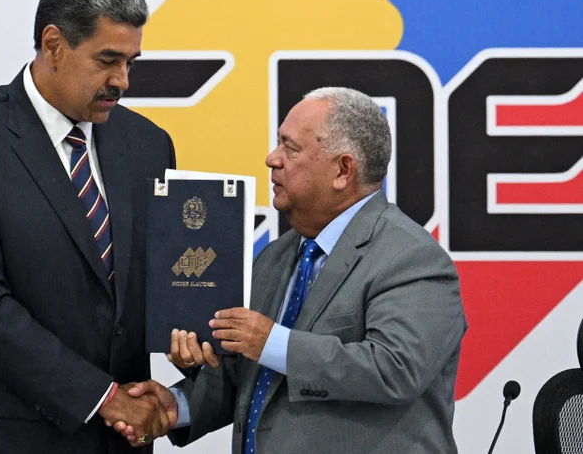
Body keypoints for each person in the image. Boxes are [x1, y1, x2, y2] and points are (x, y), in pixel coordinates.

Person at [0, 0, 176, 453]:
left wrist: (191, 340)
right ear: (53, 44)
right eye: (107, 60)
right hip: (4, 435)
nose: (122, 81)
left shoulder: (149, 145)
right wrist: (104, 398)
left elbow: (155, 283)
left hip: (119, 439)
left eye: (131, 63)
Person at [117, 87, 467, 453]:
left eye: (290, 148)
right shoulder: (275, 257)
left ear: (343, 170)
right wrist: (176, 406)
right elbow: (252, 377)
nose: (272, 159)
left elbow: (395, 369)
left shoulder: (410, 257)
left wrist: (271, 341)